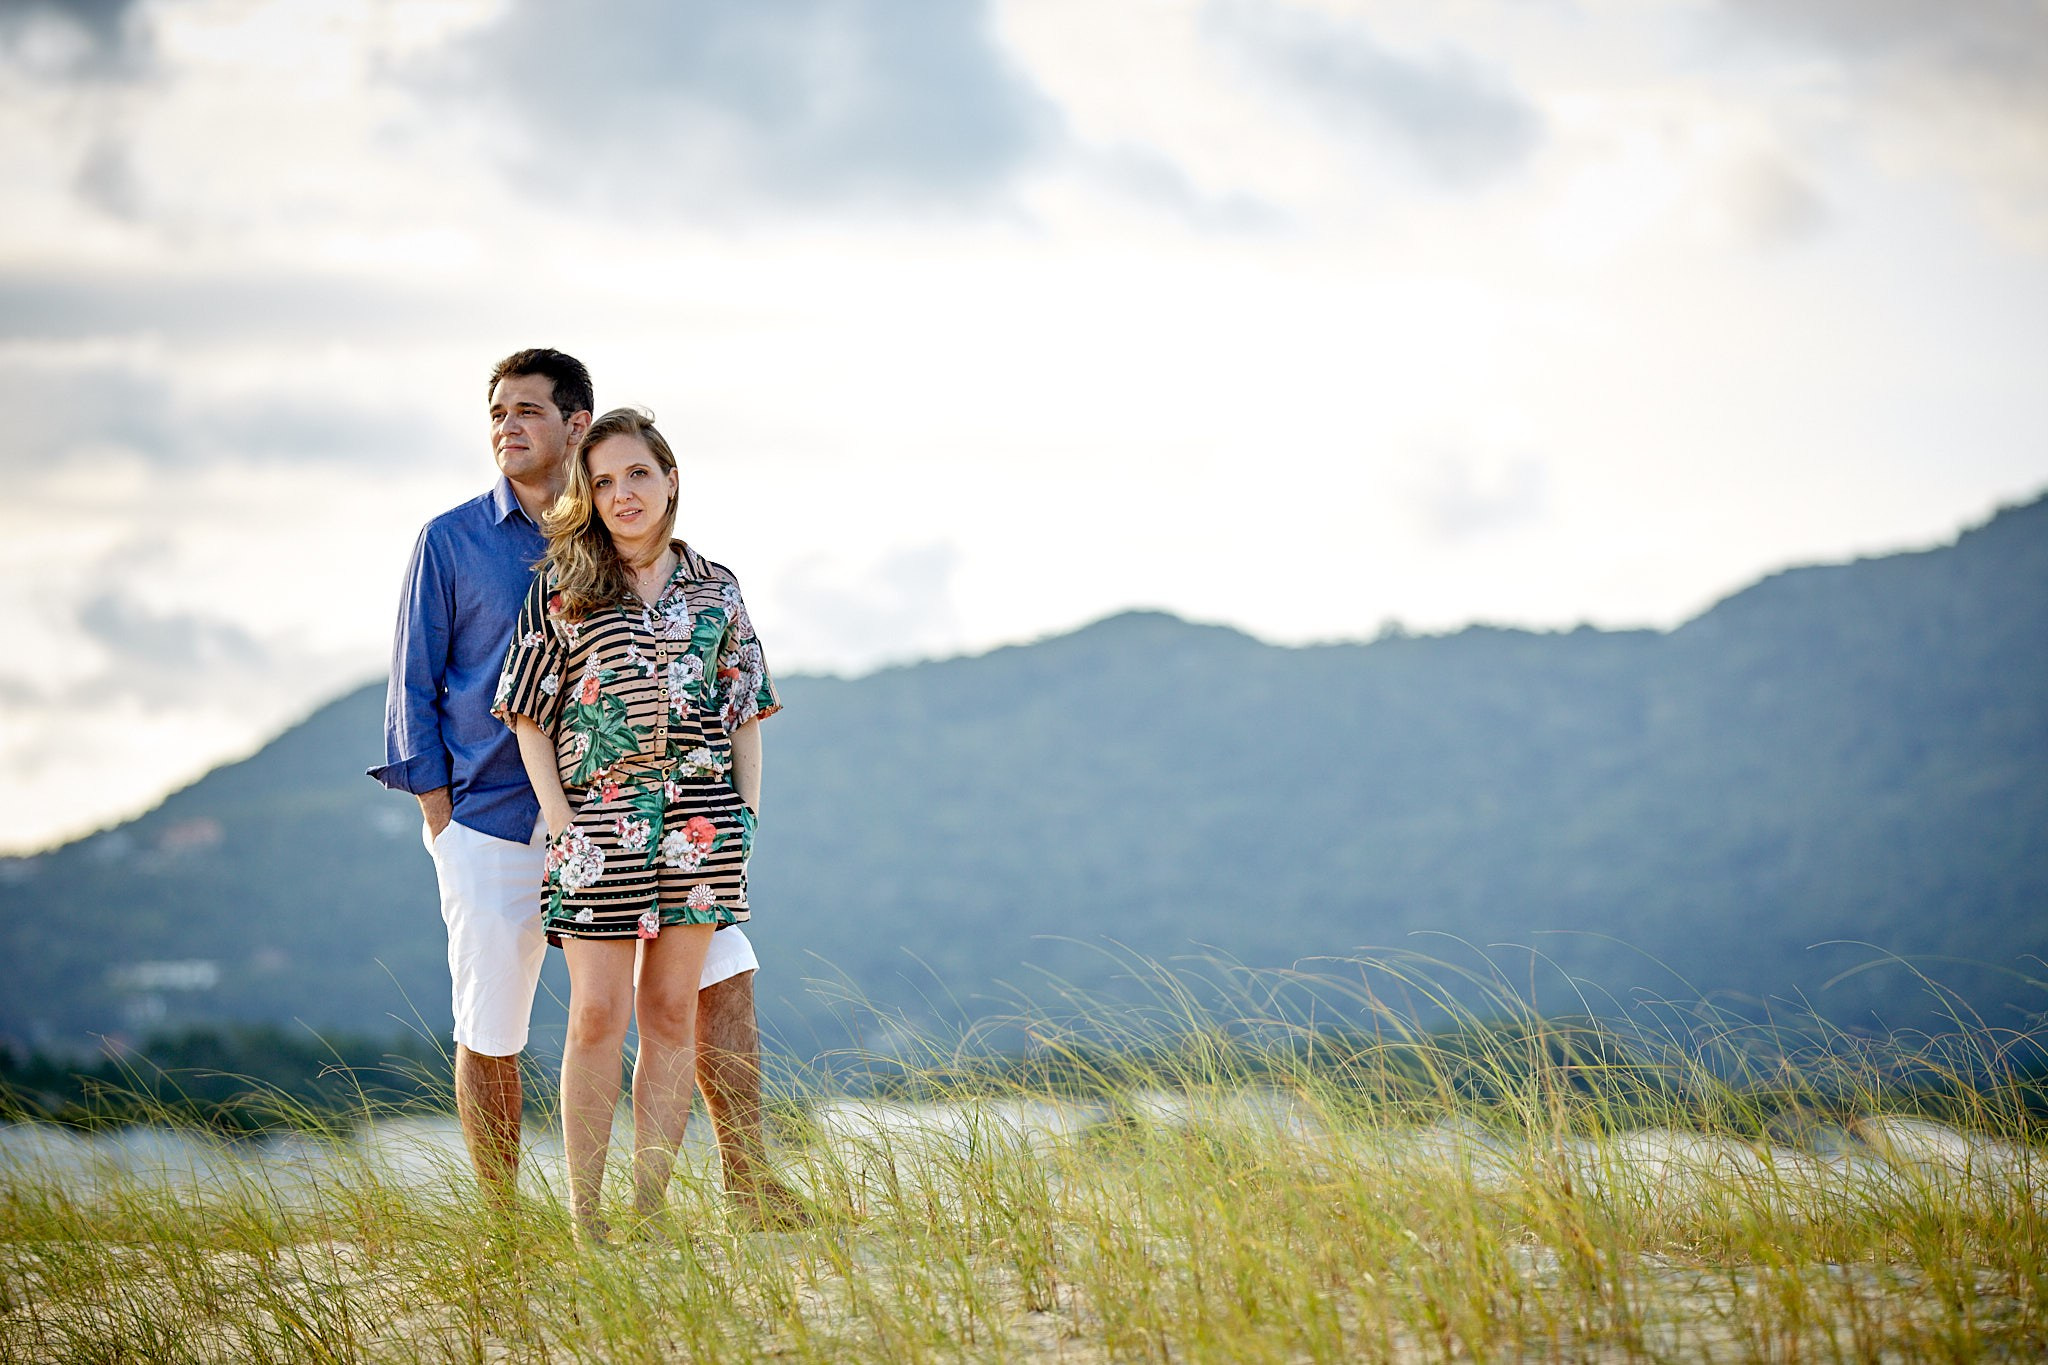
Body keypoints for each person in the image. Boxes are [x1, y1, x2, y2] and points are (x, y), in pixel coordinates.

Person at [370, 350, 798, 1227]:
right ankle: (511, 1220)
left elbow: (741, 697)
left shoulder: (662, 562)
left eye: (526, 411)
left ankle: (747, 1186)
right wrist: (440, 817)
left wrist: (741, 814)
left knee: (716, 986)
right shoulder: (459, 543)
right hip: (504, 818)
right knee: (499, 1019)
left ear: (574, 426)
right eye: (496, 414)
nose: (506, 428)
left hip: (676, 828)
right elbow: (419, 683)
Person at [493, 405, 778, 1241]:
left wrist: (746, 818)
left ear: (670, 479)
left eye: (638, 474)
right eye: (605, 479)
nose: (622, 493)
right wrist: (562, 821)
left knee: (669, 1017)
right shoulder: (565, 584)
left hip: (699, 823)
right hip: (596, 829)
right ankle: (588, 1220)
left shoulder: (716, 586)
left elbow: (746, 711)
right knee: (595, 1017)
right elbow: (527, 714)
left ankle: (648, 1214)